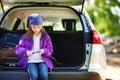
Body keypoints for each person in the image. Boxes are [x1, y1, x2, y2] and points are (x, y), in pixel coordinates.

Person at [15, 13, 53, 80]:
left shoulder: (46, 37)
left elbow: (50, 50)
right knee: (34, 76)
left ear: (41, 26)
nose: (36, 29)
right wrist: (25, 51)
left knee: (44, 75)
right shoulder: (25, 37)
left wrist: (44, 51)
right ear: (30, 26)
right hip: (30, 61)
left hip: (42, 60)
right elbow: (18, 48)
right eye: (34, 27)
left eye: (38, 27)